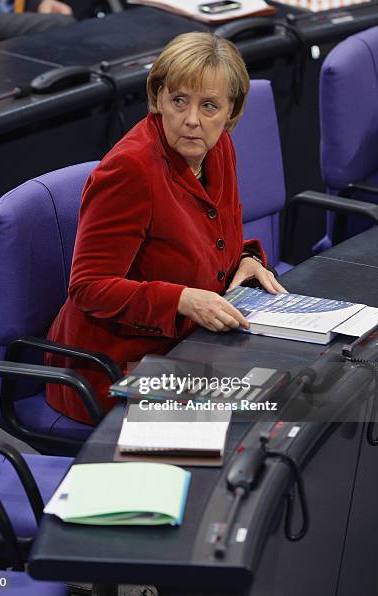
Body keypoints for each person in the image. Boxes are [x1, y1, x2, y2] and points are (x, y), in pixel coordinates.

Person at [45, 31, 286, 424]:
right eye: (179, 101)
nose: (192, 120)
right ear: (158, 98)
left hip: (192, 345)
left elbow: (211, 233)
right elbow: (88, 287)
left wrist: (245, 258)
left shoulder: (217, 146)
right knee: (251, 424)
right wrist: (182, 299)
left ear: (231, 112)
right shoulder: (131, 170)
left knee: (289, 401)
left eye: (209, 106)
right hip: (117, 368)